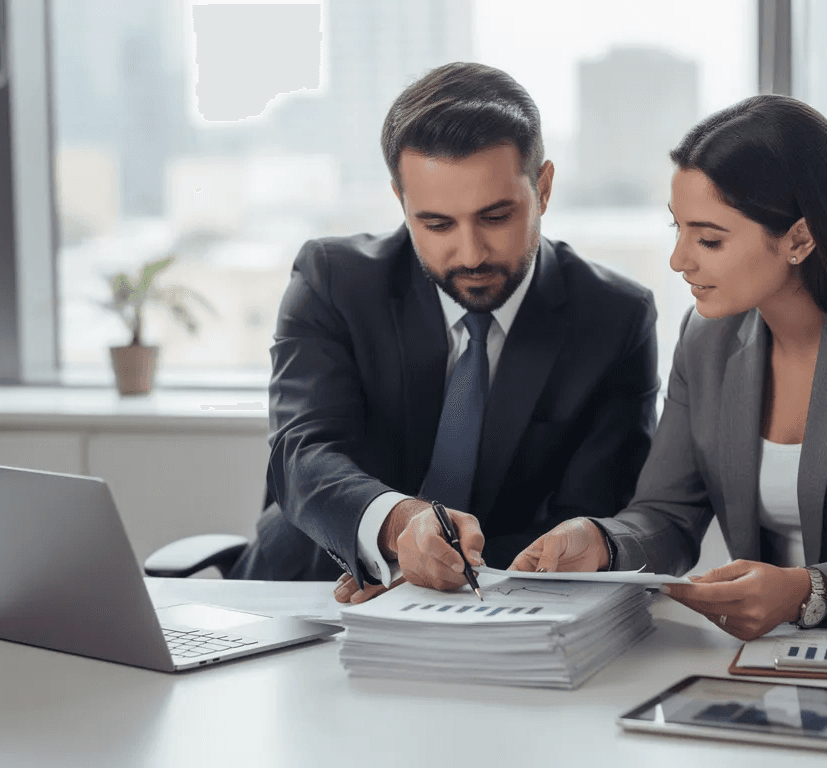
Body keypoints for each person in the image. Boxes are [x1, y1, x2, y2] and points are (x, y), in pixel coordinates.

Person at [511, 94, 827, 638]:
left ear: (800, 238)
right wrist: (602, 540)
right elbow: (666, 515)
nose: (679, 260)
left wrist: (807, 592)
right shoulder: (707, 337)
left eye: (709, 238)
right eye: (677, 229)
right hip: (785, 652)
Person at [229, 63, 659, 604]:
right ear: (400, 201)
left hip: (501, 612)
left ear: (544, 188)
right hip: (308, 594)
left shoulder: (615, 318)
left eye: (496, 217)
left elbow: (589, 518)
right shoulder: (333, 281)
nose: (471, 253)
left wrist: (440, 575)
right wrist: (397, 529)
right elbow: (302, 453)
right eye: (436, 224)